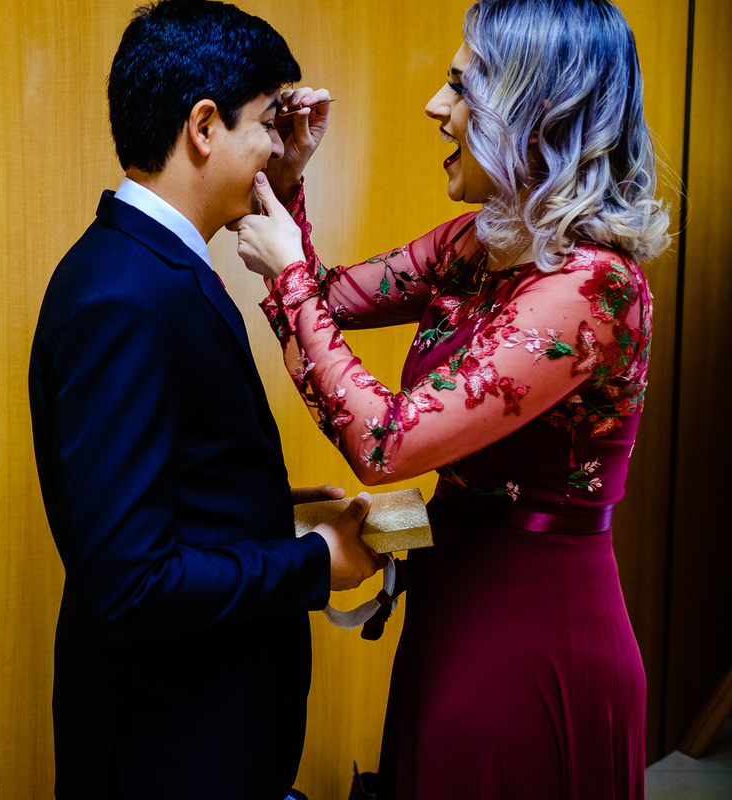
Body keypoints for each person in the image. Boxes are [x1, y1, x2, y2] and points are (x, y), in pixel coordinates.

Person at [228, 0, 669, 797]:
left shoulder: (592, 288)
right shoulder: (479, 243)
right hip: (455, 593)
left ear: (539, 110)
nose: (437, 105)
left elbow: (385, 443)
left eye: (463, 87)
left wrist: (287, 275)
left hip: (535, 631)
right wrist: (287, 182)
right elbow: (328, 300)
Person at [27, 1, 385, 797]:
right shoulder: (125, 297)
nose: (279, 148)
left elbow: (155, 489)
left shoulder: (148, 263)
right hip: (170, 745)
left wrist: (265, 508)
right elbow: (130, 580)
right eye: (268, 123)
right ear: (203, 126)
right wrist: (313, 563)